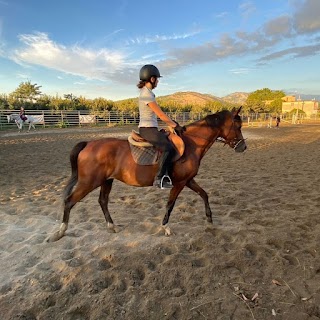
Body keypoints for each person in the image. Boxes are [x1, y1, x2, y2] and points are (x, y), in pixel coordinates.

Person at [137, 64, 185, 189]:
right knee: (168, 148)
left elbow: (157, 116)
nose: (157, 81)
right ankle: (159, 178)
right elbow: (160, 114)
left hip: (150, 128)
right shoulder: (147, 94)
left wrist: (170, 125)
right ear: (152, 79)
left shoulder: (147, 93)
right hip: (147, 129)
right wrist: (175, 125)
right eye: (156, 78)